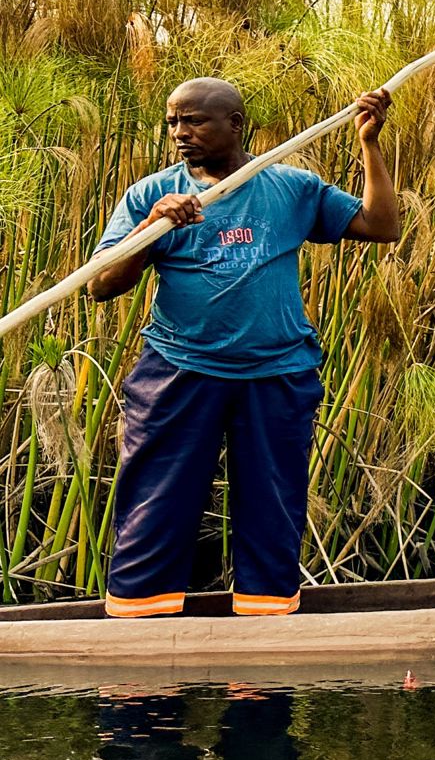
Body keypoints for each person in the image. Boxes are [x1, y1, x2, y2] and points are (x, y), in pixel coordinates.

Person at [87, 78, 400, 618]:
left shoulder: (289, 187)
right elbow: (100, 285)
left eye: (194, 121)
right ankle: (141, 616)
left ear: (235, 124)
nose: (179, 133)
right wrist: (152, 229)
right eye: (173, 122)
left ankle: (265, 613)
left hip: (276, 370)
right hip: (180, 368)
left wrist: (369, 144)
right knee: (158, 494)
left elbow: (381, 225)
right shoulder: (151, 196)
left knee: (272, 498)